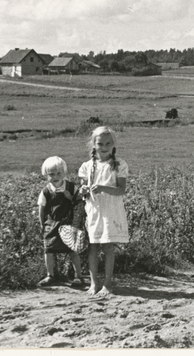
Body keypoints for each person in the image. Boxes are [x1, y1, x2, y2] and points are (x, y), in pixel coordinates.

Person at [78, 126, 129, 297]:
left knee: (107, 246)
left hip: (111, 210)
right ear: (93, 145)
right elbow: (83, 188)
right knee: (92, 246)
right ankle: (94, 283)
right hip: (93, 210)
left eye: (108, 143)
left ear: (113, 144)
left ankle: (107, 284)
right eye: (100, 143)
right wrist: (84, 190)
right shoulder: (87, 166)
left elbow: (121, 190)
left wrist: (103, 188)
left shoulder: (119, 165)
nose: (104, 147)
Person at [37, 156, 84, 288]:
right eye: (51, 174)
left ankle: (78, 276)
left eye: (59, 173)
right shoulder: (46, 191)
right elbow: (42, 208)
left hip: (69, 223)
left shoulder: (71, 188)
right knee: (49, 250)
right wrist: (42, 224)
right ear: (46, 175)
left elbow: (79, 202)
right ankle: (50, 275)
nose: (55, 176)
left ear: (64, 173)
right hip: (51, 224)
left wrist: (77, 220)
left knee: (72, 250)